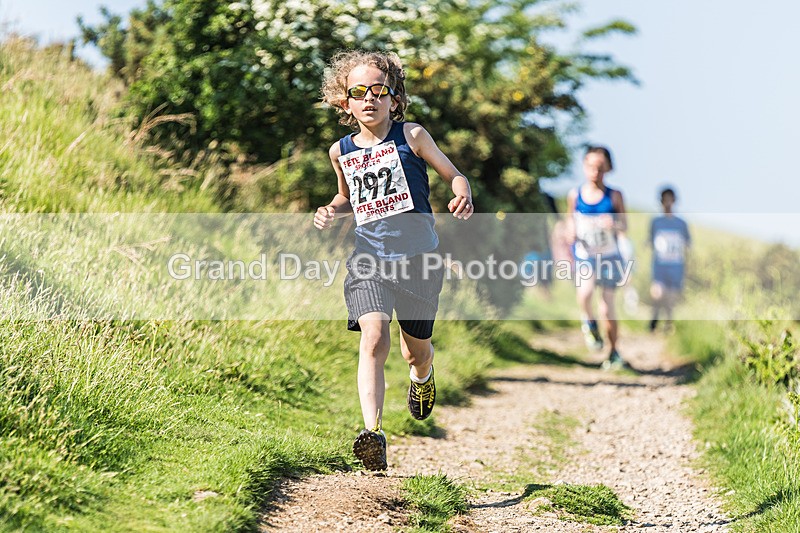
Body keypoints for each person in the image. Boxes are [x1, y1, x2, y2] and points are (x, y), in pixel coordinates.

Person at [315, 51, 473, 470]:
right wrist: (332, 210)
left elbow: (454, 174)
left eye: (379, 91)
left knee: (414, 352)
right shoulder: (341, 151)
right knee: (374, 336)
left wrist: (462, 192)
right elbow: (347, 198)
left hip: (419, 261)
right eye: (358, 92)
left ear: (394, 100)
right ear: (344, 102)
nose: (370, 99)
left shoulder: (413, 136)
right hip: (369, 259)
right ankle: (373, 434)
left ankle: (423, 377)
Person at [566, 145, 629, 370]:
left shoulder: (615, 196)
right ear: (584, 167)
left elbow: (624, 225)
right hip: (585, 256)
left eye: (601, 168)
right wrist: (570, 232)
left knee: (607, 307)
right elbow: (569, 222)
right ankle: (589, 323)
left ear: (609, 169)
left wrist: (614, 224)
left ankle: (613, 352)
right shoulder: (575, 195)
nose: (596, 172)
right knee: (585, 294)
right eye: (591, 167)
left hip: (610, 256)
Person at [649, 187, 690, 332]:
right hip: (660, 266)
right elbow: (651, 242)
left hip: (676, 266)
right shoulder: (656, 222)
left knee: (671, 298)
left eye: (669, 200)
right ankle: (654, 317)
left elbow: (687, 245)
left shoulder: (681, 224)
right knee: (658, 294)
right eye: (664, 200)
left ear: (674, 201)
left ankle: (668, 324)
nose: (667, 203)